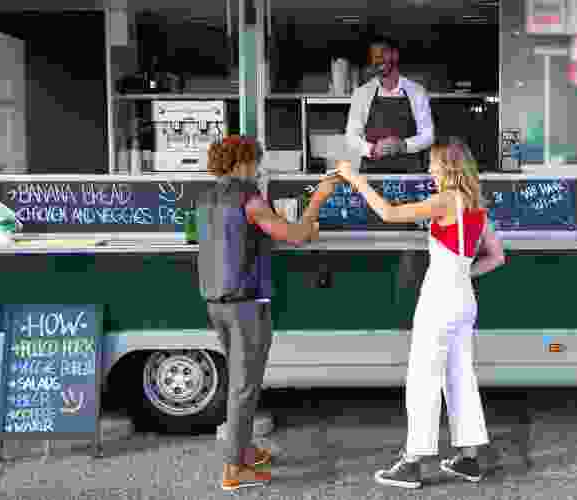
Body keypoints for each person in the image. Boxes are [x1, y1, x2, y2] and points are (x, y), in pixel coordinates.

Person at [335, 137, 506, 489]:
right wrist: (463, 273)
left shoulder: (445, 200)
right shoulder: (477, 205)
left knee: (423, 379)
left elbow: (388, 213)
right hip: (464, 299)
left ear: (446, 166)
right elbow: (496, 257)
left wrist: (355, 179)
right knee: (460, 377)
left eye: (432, 163)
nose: (429, 169)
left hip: (439, 300)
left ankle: (412, 462)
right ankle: (469, 458)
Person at [197, 135, 342, 491]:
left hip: (216, 302)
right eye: (256, 161)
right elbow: (295, 235)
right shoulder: (248, 197)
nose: (258, 167)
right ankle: (234, 469)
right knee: (244, 387)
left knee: (239, 381)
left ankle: (243, 450)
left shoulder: (205, 198)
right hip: (246, 304)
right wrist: (318, 199)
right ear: (244, 162)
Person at [345, 35, 434, 174]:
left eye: (382, 54)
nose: (378, 60)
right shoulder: (362, 93)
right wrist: (372, 149)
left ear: (395, 55)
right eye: (374, 56)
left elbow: (428, 135)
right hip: (372, 177)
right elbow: (351, 137)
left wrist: (403, 145)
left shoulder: (417, 91)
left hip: (410, 176)